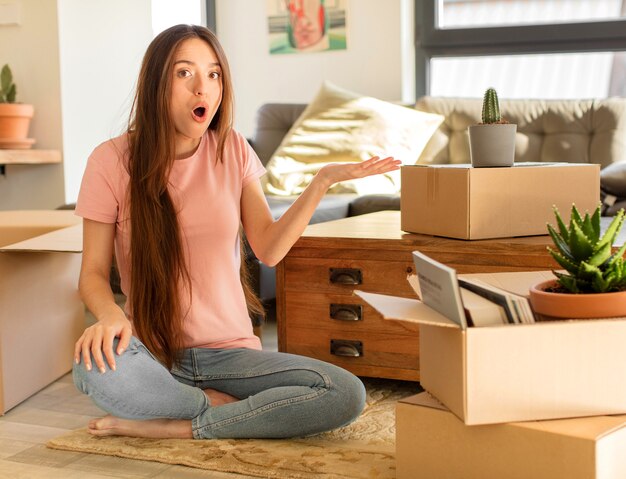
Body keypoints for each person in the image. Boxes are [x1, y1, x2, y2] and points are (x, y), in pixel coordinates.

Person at [72, 24, 401, 440]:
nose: (202, 89)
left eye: (214, 75)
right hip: (153, 351)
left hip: (231, 355)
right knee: (90, 365)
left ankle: (176, 426)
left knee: (343, 392)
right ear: (155, 82)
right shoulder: (110, 161)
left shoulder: (233, 149)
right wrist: (108, 317)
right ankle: (217, 406)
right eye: (184, 73)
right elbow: (93, 274)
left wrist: (321, 182)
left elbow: (269, 248)